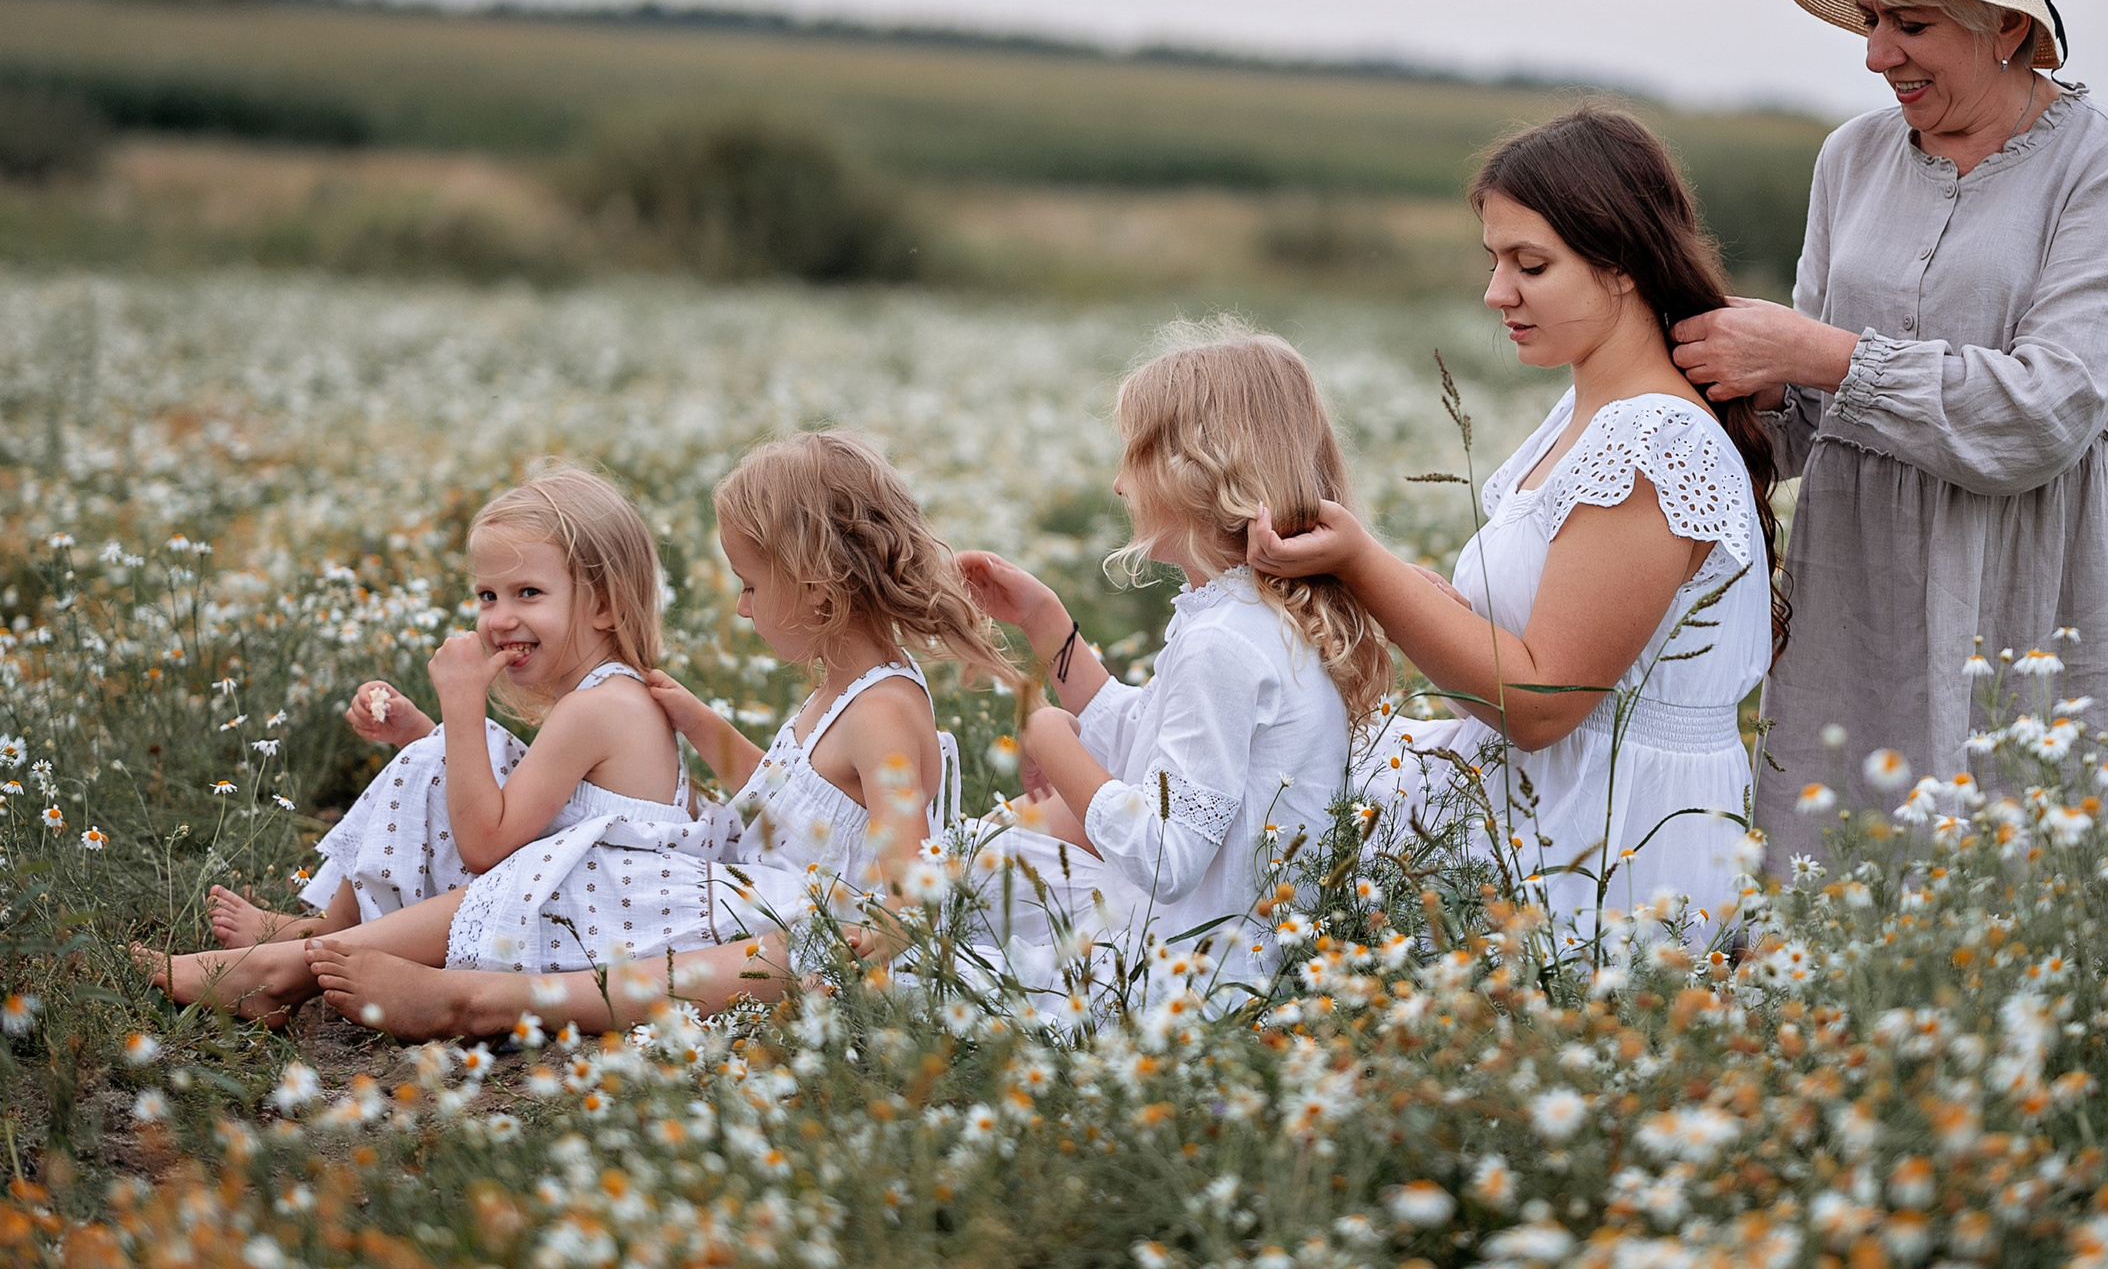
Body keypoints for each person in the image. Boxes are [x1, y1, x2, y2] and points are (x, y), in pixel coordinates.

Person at [1669, 0, 2108, 872]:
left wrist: (1814, 351)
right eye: (1870, 21)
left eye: (1908, 25)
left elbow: (2044, 413)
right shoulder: (1851, 158)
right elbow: (1814, 414)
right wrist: (1739, 382)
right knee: (1841, 872)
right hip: (1865, 577)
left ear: (2008, 29)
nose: (1875, 56)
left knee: (2036, 871)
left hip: (2036, 573)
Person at [1248, 106, 1782, 934]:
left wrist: (1367, 568)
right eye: (1496, 259)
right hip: (1546, 807)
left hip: (1611, 844)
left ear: (1622, 265)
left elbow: (1541, 703)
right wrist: (1430, 600)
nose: (1498, 292)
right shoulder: (1586, 408)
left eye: (1531, 264)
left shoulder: (1655, 438)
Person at [309, 431, 1011, 1039]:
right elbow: (799, 813)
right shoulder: (841, 690)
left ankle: (478, 1000)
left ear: (817, 591)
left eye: (749, 585)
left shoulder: (882, 709)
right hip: (777, 891)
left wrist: (857, 948)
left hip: (825, 929)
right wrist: (703, 725)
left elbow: (908, 887)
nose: (741, 607)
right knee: (600, 868)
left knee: (757, 948)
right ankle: (347, 948)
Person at [146, 466, 719, 1018]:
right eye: (488, 596)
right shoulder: (599, 699)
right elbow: (533, 813)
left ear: (603, 605)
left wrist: (462, 708)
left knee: (458, 748)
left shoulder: (601, 707)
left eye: (527, 592)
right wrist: (423, 732)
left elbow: (487, 846)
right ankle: (324, 933)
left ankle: (288, 967)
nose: (499, 618)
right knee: (435, 753)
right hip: (578, 895)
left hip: (608, 916)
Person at [956, 328, 1390, 1018]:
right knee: (976, 877)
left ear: (1195, 470)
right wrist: (1046, 623)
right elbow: (1147, 738)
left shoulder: (1224, 641)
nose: (1118, 482)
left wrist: (1047, 735)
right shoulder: (1249, 617)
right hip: (1228, 960)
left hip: (1180, 982)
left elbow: (1165, 856)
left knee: (939, 947)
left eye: (1133, 455)